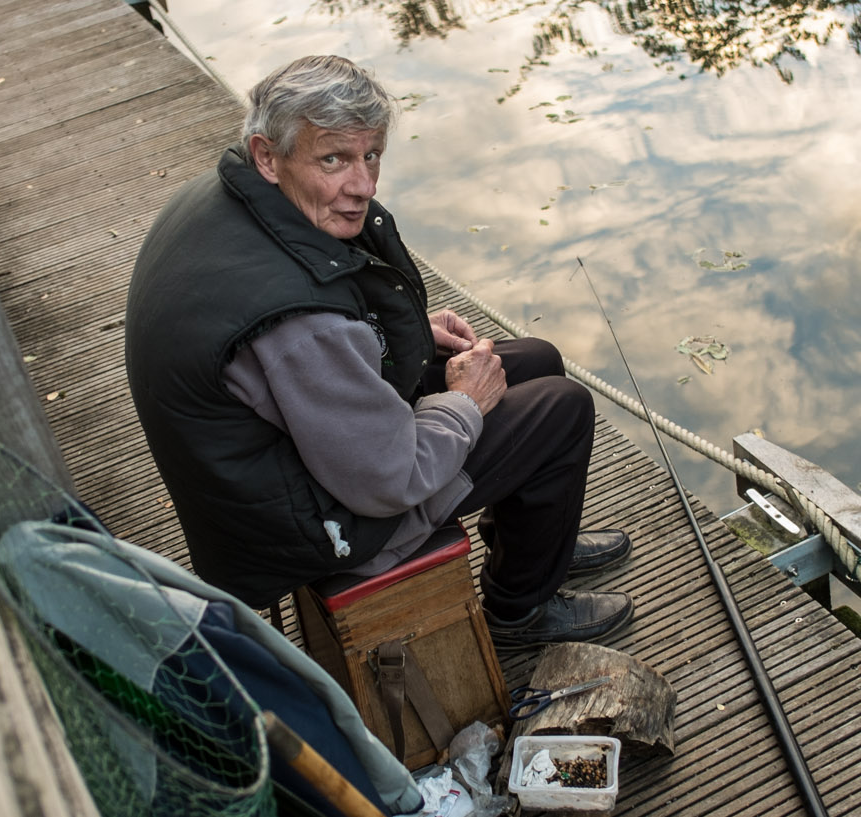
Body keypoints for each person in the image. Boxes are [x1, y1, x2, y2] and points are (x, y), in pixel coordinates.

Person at [124, 55, 631, 650]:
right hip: (314, 529)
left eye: (371, 155)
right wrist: (464, 403)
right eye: (334, 158)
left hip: (270, 473)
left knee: (535, 359)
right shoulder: (300, 326)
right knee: (559, 409)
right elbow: (391, 476)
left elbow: (318, 318)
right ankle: (519, 611)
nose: (363, 185)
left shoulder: (229, 195)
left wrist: (398, 333)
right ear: (269, 154)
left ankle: (535, 547)